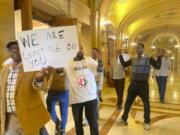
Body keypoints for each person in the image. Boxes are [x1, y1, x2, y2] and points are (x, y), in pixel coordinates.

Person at [0, 40, 51, 135]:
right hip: (10, 119)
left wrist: (39, 79)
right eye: (11, 49)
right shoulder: (4, 70)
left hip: (29, 117)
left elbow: (41, 88)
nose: (14, 51)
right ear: (9, 51)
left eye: (17, 48)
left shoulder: (32, 67)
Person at [118, 42, 161, 130]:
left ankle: (147, 122)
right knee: (128, 102)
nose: (137, 49)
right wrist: (120, 55)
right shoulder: (133, 58)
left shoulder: (148, 58)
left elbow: (157, 66)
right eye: (136, 48)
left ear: (143, 48)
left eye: (139, 48)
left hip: (143, 85)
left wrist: (159, 57)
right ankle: (124, 119)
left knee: (146, 103)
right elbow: (124, 64)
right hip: (133, 84)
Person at [65, 46, 101, 135]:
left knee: (93, 123)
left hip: (91, 97)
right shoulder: (68, 62)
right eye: (78, 48)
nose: (80, 50)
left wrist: (100, 60)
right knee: (78, 124)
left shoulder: (88, 60)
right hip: (76, 99)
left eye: (81, 48)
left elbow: (99, 70)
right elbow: (60, 72)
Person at [46, 68, 69, 135]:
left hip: (64, 91)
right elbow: (47, 76)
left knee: (64, 112)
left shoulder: (67, 63)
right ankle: (57, 122)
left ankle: (62, 129)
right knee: (50, 111)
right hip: (52, 90)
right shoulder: (52, 62)